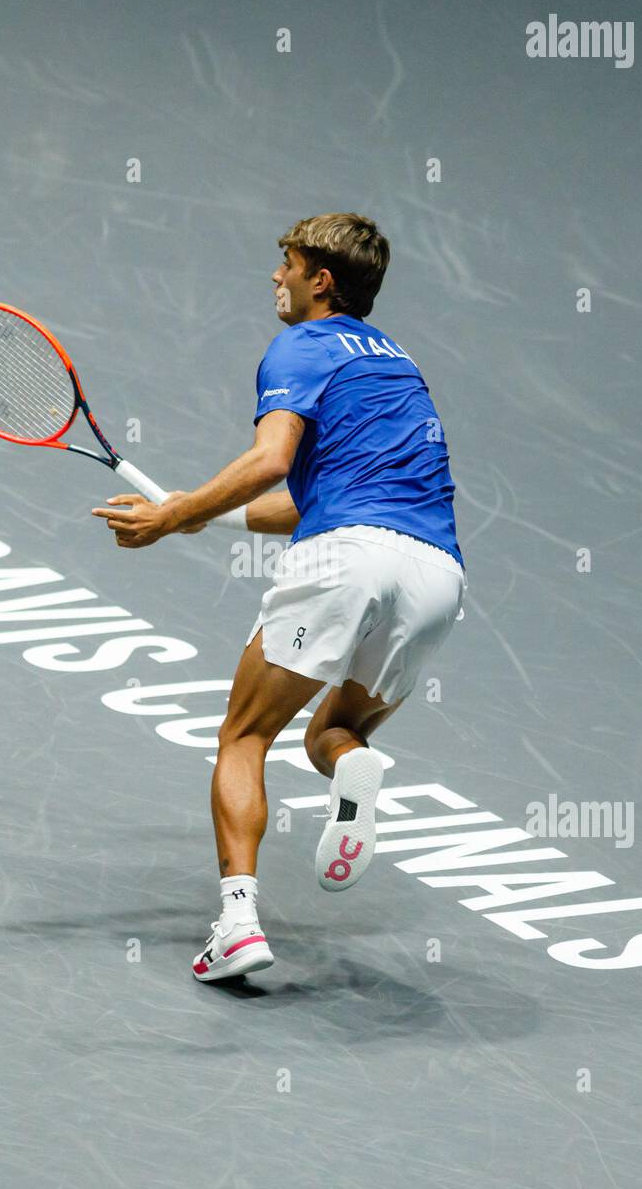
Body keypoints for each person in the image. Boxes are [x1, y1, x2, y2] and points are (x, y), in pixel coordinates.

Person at [92, 213, 465, 982]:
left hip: (346, 559)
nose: (276, 278)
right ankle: (353, 770)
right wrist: (207, 514)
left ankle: (237, 924)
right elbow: (311, 494)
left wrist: (171, 517)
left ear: (320, 280)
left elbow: (272, 461)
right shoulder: (398, 363)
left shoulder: (300, 345)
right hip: (436, 574)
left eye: (287, 266)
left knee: (244, 737)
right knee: (333, 732)